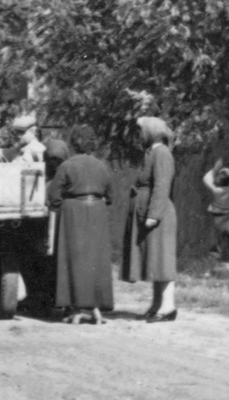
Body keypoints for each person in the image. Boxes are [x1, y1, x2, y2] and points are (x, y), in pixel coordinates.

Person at [47, 125, 116, 325]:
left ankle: (76, 307)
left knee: (73, 259)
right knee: (96, 260)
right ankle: (95, 307)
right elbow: (111, 196)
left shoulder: (67, 166)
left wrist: (63, 207)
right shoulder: (102, 166)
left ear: (74, 143)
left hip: (72, 212)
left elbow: (53, 196)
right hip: (97, 212)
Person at [123, 115, 178, 322]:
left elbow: (162, 185)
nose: (139, 135)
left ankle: (168, 307)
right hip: (149, 212)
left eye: (141, 131)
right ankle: (157, 305)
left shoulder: (162, 153)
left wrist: (153, 215)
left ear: (151, 132)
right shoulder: (151, 152)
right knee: (155, 261)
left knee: (162, 261)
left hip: (159, 215)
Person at [202, 159, 229, 266]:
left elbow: (206, 179)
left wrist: (215, 169)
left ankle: (210, 267)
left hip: (217, 218)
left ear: (218, 181)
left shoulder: (216, 190)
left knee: (217, 243)